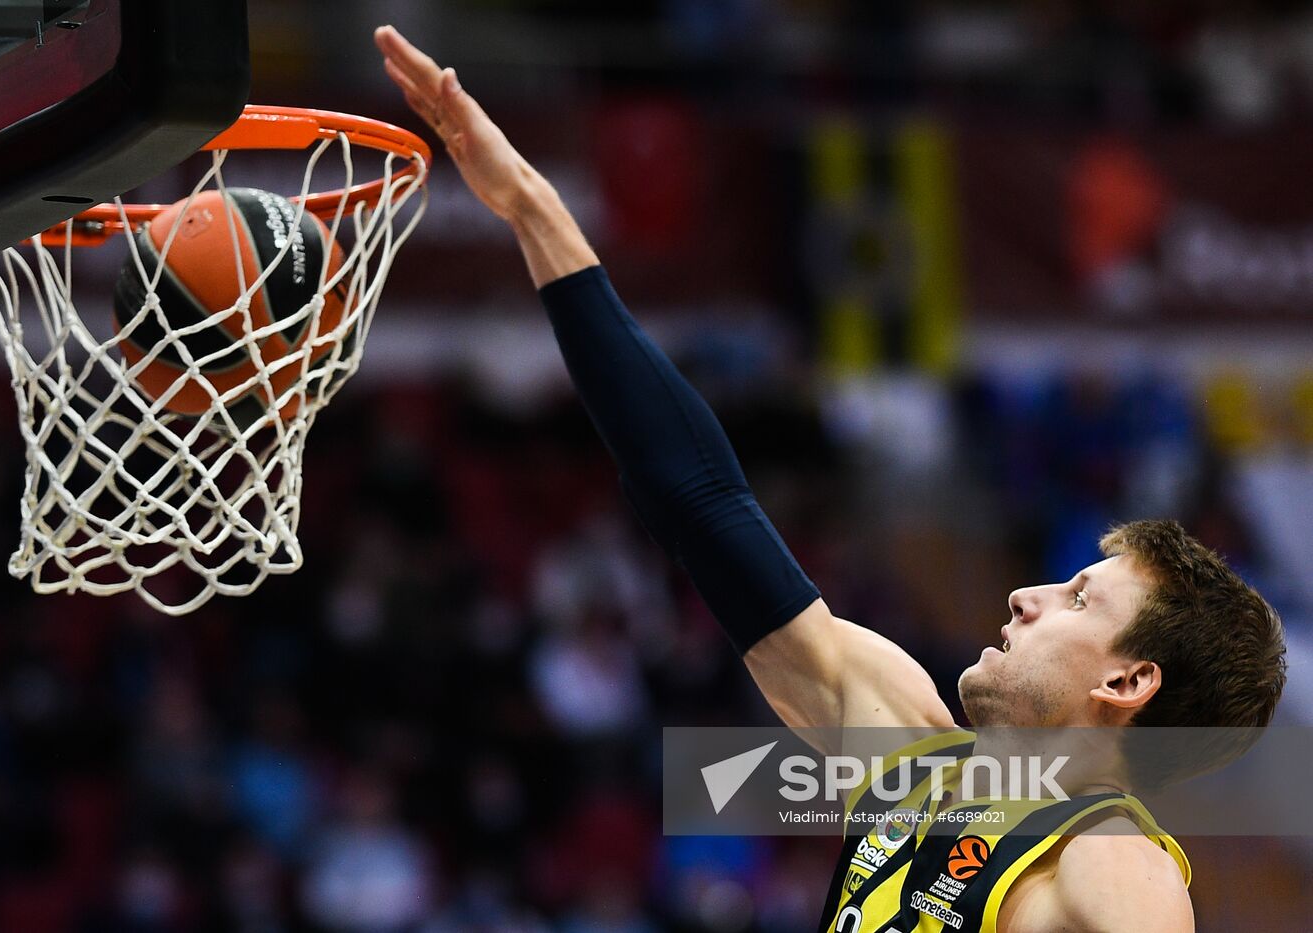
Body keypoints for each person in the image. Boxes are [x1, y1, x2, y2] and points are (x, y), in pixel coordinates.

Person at [373, 25, 1286, 933]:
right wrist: (530, 206)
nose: (1023, 595)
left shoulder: (1114, 863)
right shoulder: (909, 748)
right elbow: (701, 502)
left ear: (1129, 684)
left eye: (1080, 599)